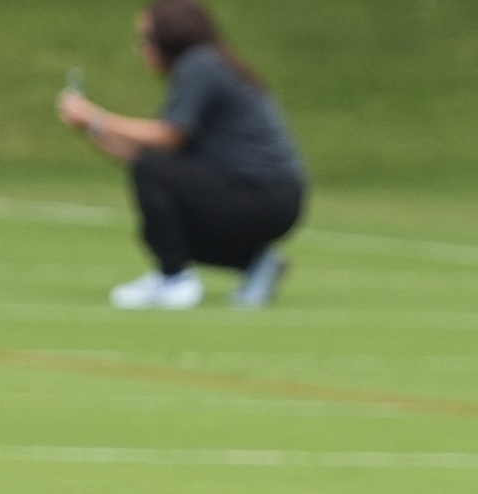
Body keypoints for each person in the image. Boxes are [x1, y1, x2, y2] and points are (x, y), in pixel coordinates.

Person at [56, 0, 305, 309]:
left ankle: (174, 280)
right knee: (159, 207)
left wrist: (96, 117)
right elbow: (142, 157)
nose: (142, 48)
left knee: (155, 179)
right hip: (266, 196)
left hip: (262, 193)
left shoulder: (200, 64)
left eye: (147, 38)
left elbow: (167, 137)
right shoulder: (203, 65)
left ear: (171, 35)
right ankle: (255, 262)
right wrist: (90, 129)